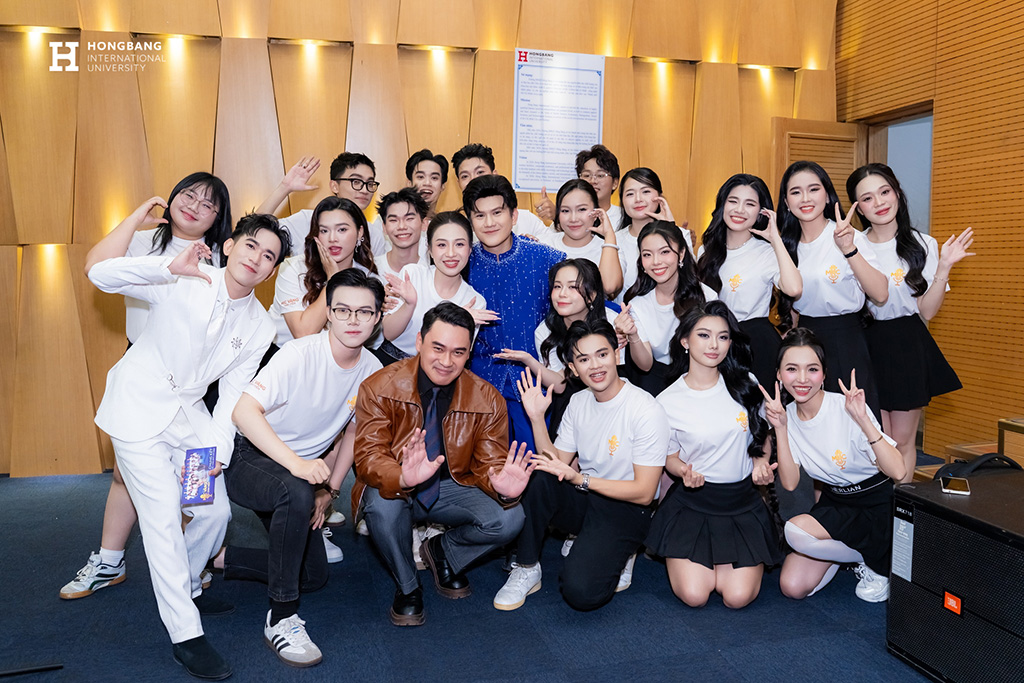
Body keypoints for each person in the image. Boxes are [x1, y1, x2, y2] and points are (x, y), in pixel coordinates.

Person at [86, 213, 290, 680]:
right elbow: (100, 275)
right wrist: (165, 268)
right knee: (161, 516)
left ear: (272, 271)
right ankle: (185, 634)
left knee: (213, 512)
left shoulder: (261, 326)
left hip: (188, 420)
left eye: (268, 256)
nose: (257, 259)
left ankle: (190, 584)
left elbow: (231, 398)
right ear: (230, 245)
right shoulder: (185, 273)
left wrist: (216, 455)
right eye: (251, 246)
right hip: (136, 410)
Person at [61, 173, 231, 602]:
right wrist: (138, 215)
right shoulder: (143, 242)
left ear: (216, 219)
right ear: (171, 198)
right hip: (144, 370)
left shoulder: (217, 257)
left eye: (207, 204)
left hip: (196, 383)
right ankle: (109, 561)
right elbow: (94, 266)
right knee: (125, 474)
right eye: (188, 195)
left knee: (196, 482)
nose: (194, 206)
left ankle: (191, 564)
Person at [215, 269, 384, 668]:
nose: (353, 320)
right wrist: (299, 468)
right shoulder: (298, 353)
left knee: (313, 575)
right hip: (251, 457)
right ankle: (281, 617)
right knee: (295, 492)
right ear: (328, 312)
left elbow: (353, 431)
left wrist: (331, 489)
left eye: (364, 312)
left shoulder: (373, 369)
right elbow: (244, 412)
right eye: (342, 310)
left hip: (300, 474)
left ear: (378, 317)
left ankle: (215, 557)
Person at [354, 302, 533, 626]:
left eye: (458, 352)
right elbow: (368, 457)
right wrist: (402, 477)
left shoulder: (487, 398)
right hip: (399, 486)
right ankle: (408, 586)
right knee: (380, 505)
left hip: (452, 487)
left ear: (469, 353)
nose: (447, 361)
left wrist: (501, 485)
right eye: (438, 348)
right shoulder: (379, 386)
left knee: (511, 517)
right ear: (419, 341)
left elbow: (488, 463)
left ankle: (443, 552)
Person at [493, 320, 669, 612]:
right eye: (584, 359)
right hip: (588, 497)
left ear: (616, 355)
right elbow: (556, 464)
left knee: (581, 594)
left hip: (629, 509)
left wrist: (580, 480)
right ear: (573, 369)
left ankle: (624, 550)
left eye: (602, 354)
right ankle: (527, 567)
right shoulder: (578, 401)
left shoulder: (646, 409)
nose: (595, 366)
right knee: (539, 476)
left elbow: (644, 492)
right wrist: (536, 418)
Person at [644, 301, 783, 609]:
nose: (714, 345)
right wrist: (683, 471)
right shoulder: (667, 401)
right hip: (694, 504)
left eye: (723, 337)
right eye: (704, 335)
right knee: (695, 596)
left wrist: (761, 462)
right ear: (685, 341)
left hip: (741, 502)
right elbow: (670, 457)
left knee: (737, 597)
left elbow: (761, 435)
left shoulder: (746, 384)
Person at [848, 163, 973, 483]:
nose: (879, 202)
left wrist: (944, 267)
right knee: (874, 438)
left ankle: (901, 506)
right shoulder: (851, 244)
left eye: (884, 192)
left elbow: (927, 312)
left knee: (902, 440)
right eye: (867, 198)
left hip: (906, 341)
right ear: (858, 208)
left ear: (897, 193)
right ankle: (876, 504)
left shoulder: (923, 243)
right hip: (863, 340)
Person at [761, 328, 905, 603]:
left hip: (876, 504)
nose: (802, 379)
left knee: (794, 531)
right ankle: (861, 553)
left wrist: (862, 420)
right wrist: (780, 428)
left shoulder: (845, 407)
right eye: (791, 369)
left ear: (824, 374)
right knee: (792, 586)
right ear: (779, 374)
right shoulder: (785, 415)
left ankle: (877, 560)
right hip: (836, 502)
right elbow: (790, 483)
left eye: (812, 369)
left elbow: (898, 471)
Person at [776, 160, 889, 420]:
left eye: (814, 189)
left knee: (853, 422)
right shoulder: (785, 246)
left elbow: (881, 294)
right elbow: (791, 303)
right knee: (809, 421)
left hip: (845, 340)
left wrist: (848, 248)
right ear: (786, 202)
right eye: (796, 192)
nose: (805, 198)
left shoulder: (849, 236)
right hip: (804, 342)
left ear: (827, 195)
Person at [462, 174, 566, 451]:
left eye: (497, 213)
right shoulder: (462, 263)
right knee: (485, 464)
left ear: (514, 215)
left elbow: (580, 300)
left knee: (535, 464)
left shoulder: (547, 258)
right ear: (470, 221)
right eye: (480, 215)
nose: (489, 222)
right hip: (479, 385)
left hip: (535, 385)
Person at [492, 259, 621, 437]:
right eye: (557, 286)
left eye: (573, 287)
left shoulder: (613, 322)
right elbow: (560, 386)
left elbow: (635, 368)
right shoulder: (545, 331)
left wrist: (632, 336)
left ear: (591, 295)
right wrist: (528, 360)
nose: (562, 294)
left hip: (612, 396)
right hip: (572, 399)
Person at [696, 174, 802, 388]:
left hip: (756, 343)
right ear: (723, 205)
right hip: (714, 342)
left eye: (750, 204)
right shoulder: (706, 250)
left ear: (761, 211)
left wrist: (775, 238)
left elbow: (794, 289)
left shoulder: (767, 252)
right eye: (733, 201)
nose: (739, 210)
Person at [616, 220, 717, 396]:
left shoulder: (707, 297)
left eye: (664, 252)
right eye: (647, 255)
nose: (656, 262)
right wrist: (633, 335)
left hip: (699, 375)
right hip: (655, 379)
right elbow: (645, 365)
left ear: (682, 253)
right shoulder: (637, 304)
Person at [381, 211, 494, 362]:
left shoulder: (475, 301)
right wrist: (409, 304)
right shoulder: (412, 275)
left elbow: (458, 356)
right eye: (441, 245)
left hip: (438, 368)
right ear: (430, 249)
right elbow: (388, 333)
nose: (451, 253)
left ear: (469, 249)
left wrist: (459, 319)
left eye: (459, 244)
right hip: (390, 362)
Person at [269, 196, 378, 348]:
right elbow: (303, 334)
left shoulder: (367, 277)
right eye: (324, 231)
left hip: (339, 356)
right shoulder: (293, 268)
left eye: (342, 230)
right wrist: (333, 279)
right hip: (284, 352)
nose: (332, 238)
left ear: (360, 232)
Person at [256, 152, 386, 256]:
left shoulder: (374, 234)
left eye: (370, 183)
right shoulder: (307, 220)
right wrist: (284, 188)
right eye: (356, 181)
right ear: (334, 186)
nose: (364, 190)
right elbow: (256, 230)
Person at [615, 167, 693, 305]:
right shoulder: (614, 241)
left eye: (646, 191)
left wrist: (670, 227)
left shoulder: (681, 234)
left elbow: (689, 279)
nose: (638, 199)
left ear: (659, 196)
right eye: (630, 194)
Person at [541, 179, 625, 299]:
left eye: (582, 209)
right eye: (565, 211)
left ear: (596, 212)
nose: (573, 218)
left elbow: (609, 287)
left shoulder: (609, 249)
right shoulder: (543, 245)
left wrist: (609, 235)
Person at [451, 142, 555, 238]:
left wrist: (556, 217)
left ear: (494, 175)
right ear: (458, 183)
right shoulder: (456, 229)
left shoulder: (525, 219)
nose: (473, 179)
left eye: (480, 172)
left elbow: (556, 244)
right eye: (465, 176)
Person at [374, 188, 429, 281]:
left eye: (409, 219)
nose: (401, 226)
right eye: (393, 220)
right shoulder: (371, 270)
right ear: (384, 227)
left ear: (424, 223)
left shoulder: (430, 273)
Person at [576, 144, 623, 229]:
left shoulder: (624, 218)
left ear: (615, 183)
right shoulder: (570, 216)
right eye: (587, 175)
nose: (593, 181)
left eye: (600, 175)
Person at [406, 148, 448, 217]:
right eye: (420, 177)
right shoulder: (398, 220)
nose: (427, 183)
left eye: (434, 178)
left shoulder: (444, 222)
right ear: (409, 183)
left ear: (442, 185)